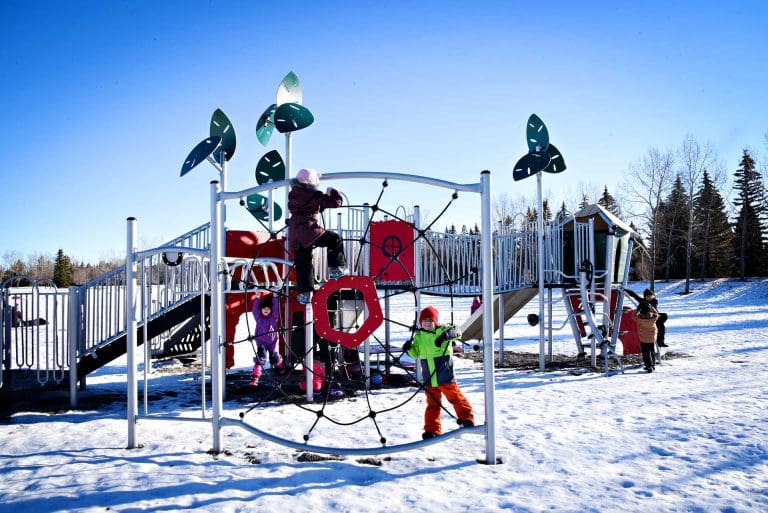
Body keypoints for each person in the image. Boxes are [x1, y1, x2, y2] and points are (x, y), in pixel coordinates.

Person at [402, 306, 475, 439]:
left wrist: (446, 336)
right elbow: (415, 353)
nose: (427, 323)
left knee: (455, 397)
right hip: (429, 377)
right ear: (420, 322)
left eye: (430, 320)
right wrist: (408, 349)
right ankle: (432, 430)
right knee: (432, 404)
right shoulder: (419, 336)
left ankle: (467, 419)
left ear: (435, 321)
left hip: (444, 374)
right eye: (424, 320)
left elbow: (458, 331)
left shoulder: (442, 330)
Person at [287, 168, 348, 304]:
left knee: (303, 264)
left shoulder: (292, 195)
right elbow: (335, 203)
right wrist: (333, 192)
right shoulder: (314, 194)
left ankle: (305, 294)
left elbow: (305, 207)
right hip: (309, 230)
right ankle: (336, 268)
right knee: (334, 239)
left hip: (294, 234)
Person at [249, 293, 283, 386]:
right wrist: (257, 298)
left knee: (275, 359)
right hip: (262, 342)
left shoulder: (273, 318)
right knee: (261, 359)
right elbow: (255, 310)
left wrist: (275, 297)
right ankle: (255, 377)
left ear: (271, 310)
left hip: (273, 342)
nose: (266, 310)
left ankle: (280, 365)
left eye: (268, 309)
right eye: (264, 308)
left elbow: (276, 309)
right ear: (261, 310)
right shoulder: (258, 318)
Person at [634, 300, 659, 373]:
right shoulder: (654, 317)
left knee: (646, 353)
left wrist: (637, 309)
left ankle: (649, 366)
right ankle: (653, 364)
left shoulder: (639, 318)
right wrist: (652, 307)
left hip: (643, 338)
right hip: (652, 338)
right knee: (652, 350)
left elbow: (633, 315)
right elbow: (656, 313)